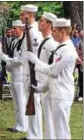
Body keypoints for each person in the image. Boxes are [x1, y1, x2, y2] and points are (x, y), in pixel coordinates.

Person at [26, 18, 78, 139]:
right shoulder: (61, 47)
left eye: (55, 31)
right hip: (57, 92)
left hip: (62, 94)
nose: (52, 33)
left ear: (63, 32)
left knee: (62, 132)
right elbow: (53, 76)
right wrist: (42, 88)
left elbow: (53, 71)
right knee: (57, 129)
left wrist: (36, 62)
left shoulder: (67, 50)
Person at [20, 4, 43, 139]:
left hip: (33, 72)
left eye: (23, 14)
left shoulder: (34, 32)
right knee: (30, 102)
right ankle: (32, 134)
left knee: (34, 103)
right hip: (27, 71)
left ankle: (35, 135)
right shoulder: (28, 30)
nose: (21, 17)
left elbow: (36, 54)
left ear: (31, 15)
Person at [37, 11, 58, 139]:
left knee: (50, 119)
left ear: (49, 25)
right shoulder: (44, 41)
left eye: (42, 21)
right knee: (47, 119)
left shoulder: (51, 44)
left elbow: (54, 67)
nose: (39, 23)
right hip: (43, 85)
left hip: (49, 86)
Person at [5, 20, 28, 132]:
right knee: (16, 102)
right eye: (13, 28)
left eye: (15, 28)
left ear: (22, 29)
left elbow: (21, 60)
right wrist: (8, 65)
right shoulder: (14, 41)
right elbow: (13, 56)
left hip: (21, 75)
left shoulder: (24, 42)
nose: (13, 30)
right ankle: (18, 123)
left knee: (21, 101)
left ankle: (23, 125)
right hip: (14, 74)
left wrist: (8, 60)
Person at [76, 30, 83, 101]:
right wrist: (80, 61)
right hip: (81, 64)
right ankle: (81, 94)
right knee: (81, 79)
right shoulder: (79, 43)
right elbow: (78, 52)